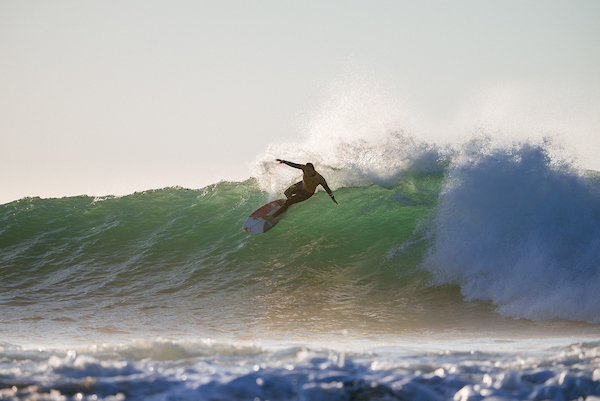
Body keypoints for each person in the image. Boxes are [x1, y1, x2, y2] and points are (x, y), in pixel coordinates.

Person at [264, 159, 337, 222]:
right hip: (301, 185)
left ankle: (272, 217)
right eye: (306, 171)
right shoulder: (303, 168)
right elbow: (294, 165)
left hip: (307, 193)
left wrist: (332, 198)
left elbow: (327, 188)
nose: (307, 172)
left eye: (309, 171)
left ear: (313, 170)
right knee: (286, 192)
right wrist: (284, 161)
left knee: (289, 201)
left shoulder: (320, 179)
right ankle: (285, 207)